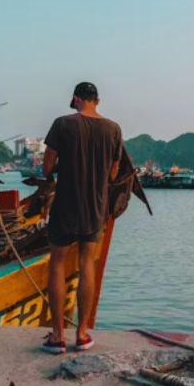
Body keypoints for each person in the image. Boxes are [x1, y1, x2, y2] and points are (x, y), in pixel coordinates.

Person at [41, 82, 122, 354]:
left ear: (76, 99)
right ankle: (82, 334)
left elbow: (47, 167)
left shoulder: (62, 124)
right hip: (95, 208)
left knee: (57, 264)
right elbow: (113, 173)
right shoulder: (113, 129)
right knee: (87, 264)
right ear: (97, 100)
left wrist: (64, 165)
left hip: (65, 205)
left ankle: (57, 337)